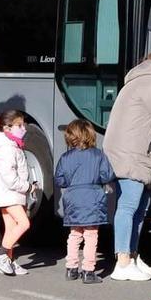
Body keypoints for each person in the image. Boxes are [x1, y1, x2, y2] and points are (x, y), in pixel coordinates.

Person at [102, 50, 151, 281]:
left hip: (131, 152)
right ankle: (123, 261)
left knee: (139, 208)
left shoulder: (137, 80)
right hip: (132, 153)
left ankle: (133, 256)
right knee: (129, 206)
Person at [55, 120, 116, 284]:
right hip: (92, 198)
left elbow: (60, 180)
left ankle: (71, 268)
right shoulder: (98, 155)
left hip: (73, 198)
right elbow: (107, 176)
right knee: (91, 234)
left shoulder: (65, 157)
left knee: (74, 234)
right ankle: (88, 271)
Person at [0, 109, 39, 276]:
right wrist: (28, 187)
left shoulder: (10, 145)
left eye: (23, 125)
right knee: (24, 223)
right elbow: (10, 178)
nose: (23, 128)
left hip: (8, 193)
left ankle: (8, 261)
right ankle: (1, 254)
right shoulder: (7, 149)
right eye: (19, 125)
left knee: (10, 228)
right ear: (7, 129)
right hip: (8, 193)